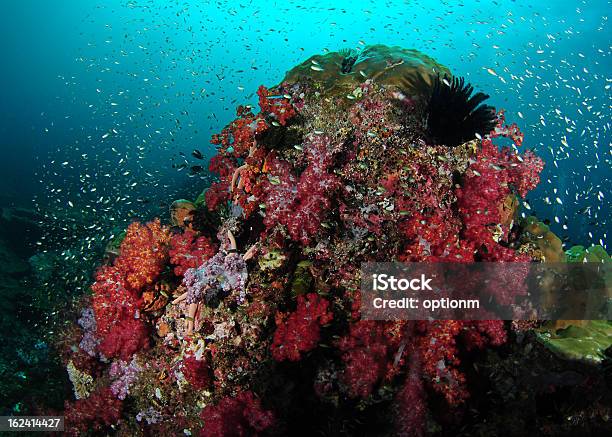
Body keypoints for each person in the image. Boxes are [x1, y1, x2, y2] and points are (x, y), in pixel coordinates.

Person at [172, 229, 257, 335]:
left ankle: (188, 322)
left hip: (224, 275)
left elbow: (232, 258)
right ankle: (189, 324)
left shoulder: (217, 272)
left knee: (237, 258)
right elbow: (193, 294)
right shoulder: (202, 282)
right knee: (237, 258)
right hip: (221, 276)